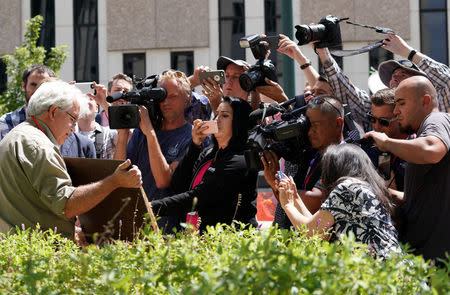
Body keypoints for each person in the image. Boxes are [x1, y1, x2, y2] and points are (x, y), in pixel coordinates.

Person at [0, 81, 142, 238]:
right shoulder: (39, 145)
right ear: (53, 112)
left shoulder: (18, 135)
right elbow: (66, 205)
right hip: (35, 255)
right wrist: (114, 182)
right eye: (72, 120)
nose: (74, 129)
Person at [367, 76, 450, 261]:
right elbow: (418, 199)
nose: (395, 111)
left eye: (401, 104)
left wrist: (386, 143)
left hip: (438, 264)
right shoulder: (423, 132)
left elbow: (432, 150)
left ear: (425, 101)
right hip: (424, 259)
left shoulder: (437, 120)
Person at [151, 97, 258, 231]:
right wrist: (195, 146)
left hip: (230, 241)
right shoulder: (208, 153)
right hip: (200, 237)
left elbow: (198, 197)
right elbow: (178, 185)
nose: (217, 119)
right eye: (216, 114)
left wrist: (151, 208)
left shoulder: (241, 159)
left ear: (239, 122)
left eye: (224, 115)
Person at [277, 144, 400, 258]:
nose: (321, 181)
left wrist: (287, 205)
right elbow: (319, 227)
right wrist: (294, 197)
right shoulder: (364, 186)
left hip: (378, 270)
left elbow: (311, 231)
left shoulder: (348, 188)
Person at [315, 33, 450, 132]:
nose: (395, 78)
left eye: (403, 75)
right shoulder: (376, 110)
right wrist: (323, 51)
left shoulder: (430, 110)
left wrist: (409, 53)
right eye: (393, 75)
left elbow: (447, 82)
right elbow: (344, 90)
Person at [114, 70, 193, 233]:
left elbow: (163, 181)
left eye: (173, 96)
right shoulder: (142, 131)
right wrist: (123, 133)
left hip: (169, 229)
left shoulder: (193, 137)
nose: (166, 102)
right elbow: (119, 172)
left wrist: (150, 133)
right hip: (137, 224)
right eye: (162, 96)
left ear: (187, 99)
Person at [263, 95, 345, 228]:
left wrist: (277, 183)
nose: (309, 131)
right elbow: (287, 201)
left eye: (315, 125)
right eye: (308, 124)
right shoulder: (311, 154)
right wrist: (276, 181)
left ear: (338, 123)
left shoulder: (343, 156)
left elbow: (315, 201)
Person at [364, 88, 410, 192]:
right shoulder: (371, 146)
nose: (376, 126)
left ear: (399, 116)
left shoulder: (416, 145)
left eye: (383, 122)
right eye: (372, 119)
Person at [0, 64, 55, 140]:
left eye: (43, 85)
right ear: (23, 86)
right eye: (33, 84)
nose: (37, 90)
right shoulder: (7, 121)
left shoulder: (64, 120)